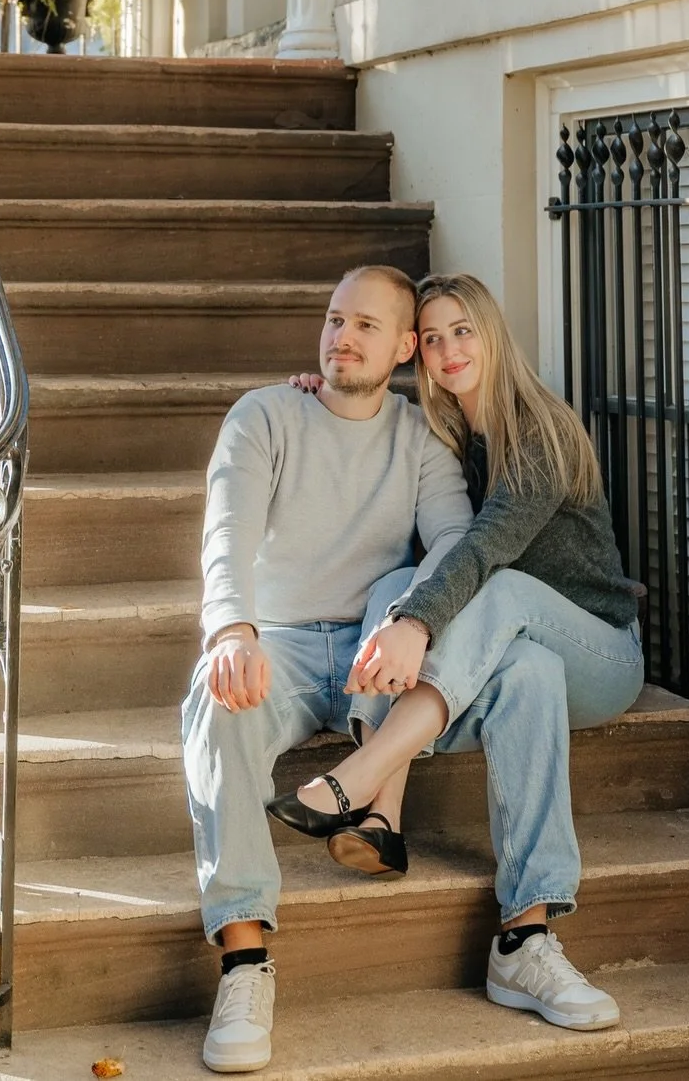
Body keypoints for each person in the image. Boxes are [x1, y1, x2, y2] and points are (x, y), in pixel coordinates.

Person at [268, 272, 646, 1033]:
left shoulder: (539, 430)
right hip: (523, 653)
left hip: (600, 651)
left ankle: (366, 773)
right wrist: (325, 396)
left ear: (491, 334)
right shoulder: (443, 439)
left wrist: (416, 626)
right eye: (434, 338)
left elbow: (484, 549)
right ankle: (520, 936)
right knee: (420, 593)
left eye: (463, 331)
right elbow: (425, 538)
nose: (449, 351)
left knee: (496, 589)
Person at [182, 265, 473, 1075]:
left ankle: (377, 807)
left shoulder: (420, 437)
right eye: (335, 319)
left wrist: (412, 617)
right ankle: (244, 959)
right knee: (215, 704)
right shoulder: (267, 413)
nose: (342, 336)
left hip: (372, 645)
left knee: (412, 589)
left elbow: (457, 539)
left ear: (406, 347)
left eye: (366, 325)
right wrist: (231, 628)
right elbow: (227, 528)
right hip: (275, 640)